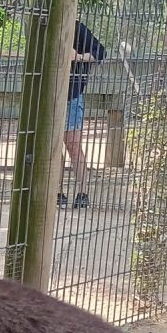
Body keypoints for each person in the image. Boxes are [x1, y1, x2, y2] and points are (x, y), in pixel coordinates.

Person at [57, 20, 107, 211]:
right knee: (53, 146)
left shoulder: (78, 28)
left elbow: (100, 53)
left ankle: (83, 192)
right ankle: (57, 191)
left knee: (73, 144)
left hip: (72, 95)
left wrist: (77, 56)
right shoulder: (42, 27)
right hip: (49, 96)